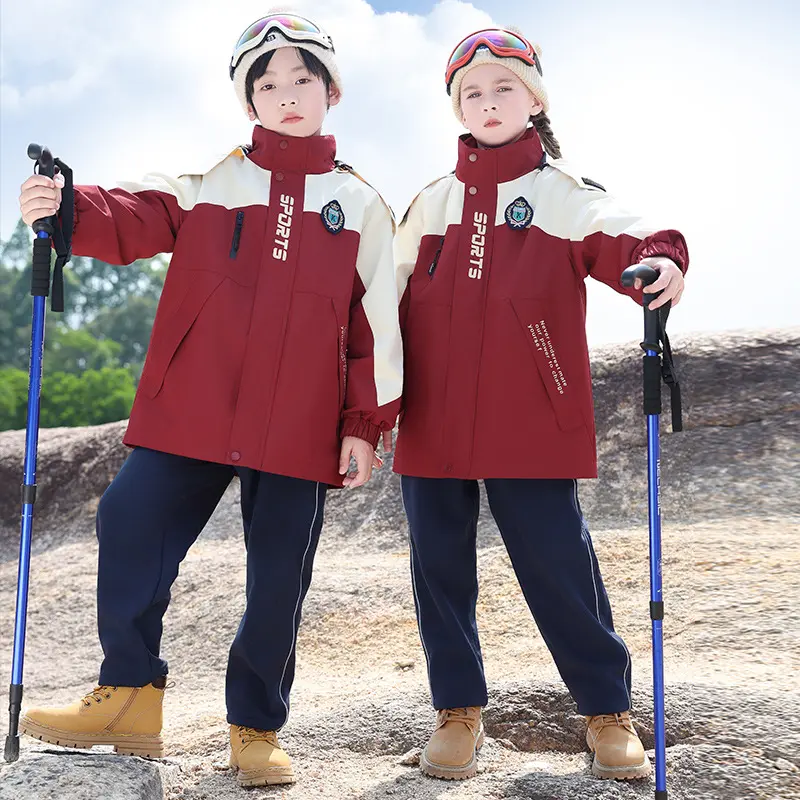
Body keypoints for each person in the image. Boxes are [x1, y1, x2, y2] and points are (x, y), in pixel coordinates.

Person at [16, 12, 401, 789]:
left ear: (332, 91)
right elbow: (130, 214)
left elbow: (378, 328)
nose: (285, 95)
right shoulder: (207, 187)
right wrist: (65, 206)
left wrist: (364, 424)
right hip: (192, 408)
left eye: (301, 80)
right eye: (266, 84)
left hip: (297, 424)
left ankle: (256, 729)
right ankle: (127, 698)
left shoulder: (361, 207)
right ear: (247, 102)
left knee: (278, 575)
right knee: (129, 518)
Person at [393, 26, 687, 782]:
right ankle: (457, 711)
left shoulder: (561, 195)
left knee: (558, 564)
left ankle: (604, 709)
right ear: (456, 107)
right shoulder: (429, 203)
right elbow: (376, 301)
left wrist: (661, 259)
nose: (488, 103)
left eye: (504, 89)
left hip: (529, 417)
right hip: (431, 420)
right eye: (472, 93)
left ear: (534, 99)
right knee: (438, 569)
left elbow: (629, 237)